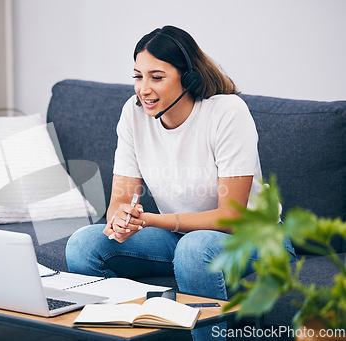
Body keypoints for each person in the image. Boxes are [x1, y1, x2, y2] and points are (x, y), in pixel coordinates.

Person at [65, 26, 296, 340]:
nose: (143, 89)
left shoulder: (227, 112)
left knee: (194, 249)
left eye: (156, 77)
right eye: (138, 76)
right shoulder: (133, 115)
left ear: (188, 78)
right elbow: (119, 201)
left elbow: (229, 217)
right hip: (179, 236)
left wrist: (147, 219)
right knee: (84, 245)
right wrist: (120, 219)